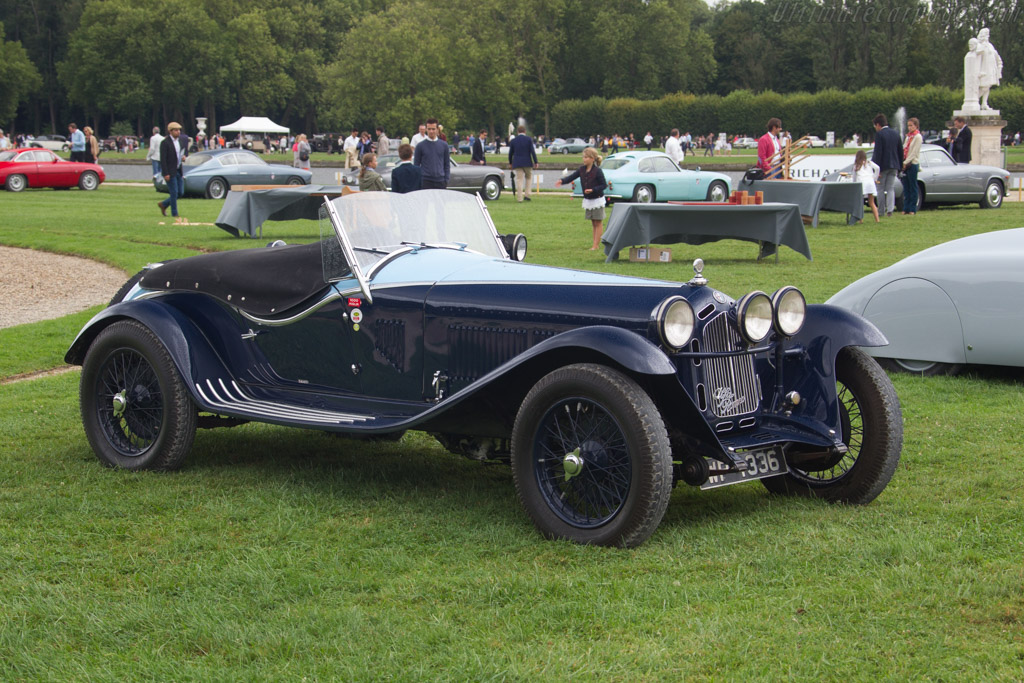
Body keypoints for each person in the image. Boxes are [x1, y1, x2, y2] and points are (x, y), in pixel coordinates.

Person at [555, 147, 608, 251]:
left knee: (598, 222)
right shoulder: (582, 170)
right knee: (593, 223)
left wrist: (593, 190)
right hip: (588, 200)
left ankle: (596, 245)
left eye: (586, 157)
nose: (584, 159)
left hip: (597, 199)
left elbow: (603, 185)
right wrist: (562, 181)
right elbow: (572, 177)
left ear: (592, 159)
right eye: (583, 157)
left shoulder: (597, 171)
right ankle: (594, 243)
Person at [871, 113, 903, 218]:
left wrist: (876, 168)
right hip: (894, 165)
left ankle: (881, 211)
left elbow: (878, 153)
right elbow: (900, 151)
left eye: (875, 126)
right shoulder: (895, 133)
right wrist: (900, 166)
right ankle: (890, 210)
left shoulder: (880, 134)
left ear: (878, 124)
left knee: (880, 189)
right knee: (890, 188)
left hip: (883, 166)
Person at [157, 122, 186, 220]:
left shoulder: (180, 142)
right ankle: (175, 213)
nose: (178, 132)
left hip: (178, 170)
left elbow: (181, 153)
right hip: (170, 171)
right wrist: (165, 173)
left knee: (180, 192)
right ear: (170, 131)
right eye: (176, 130)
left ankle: (164, 204)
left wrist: (183, 157)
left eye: (179, 130)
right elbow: (163, 159)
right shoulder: (165, 143)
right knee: (174, 192)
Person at [412, 118, 450, 189]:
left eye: (433, 129)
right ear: (426, 129)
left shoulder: (444, 145)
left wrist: (446, 180)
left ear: (437, 129)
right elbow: (416, 165)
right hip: (426, 181)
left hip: (440, 181)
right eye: (429, 129)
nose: (431, 131)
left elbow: (447, 164)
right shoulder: (420, 146)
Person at [508, 125, 538, 202]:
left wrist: (510, 163)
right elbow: (532, 152)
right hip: (527, 162)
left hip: (517, 162)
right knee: (528, 178)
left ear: (517, 132)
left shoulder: (514, 141)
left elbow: (510, 153)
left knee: (519, 180)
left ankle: (519, 198)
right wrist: (535, 162)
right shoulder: (528, 139)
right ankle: (527, 195)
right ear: (525, 131)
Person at [901, 117, 922, 216]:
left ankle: (912, 208)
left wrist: (905, 162)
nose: (909, 128)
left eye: (911, 125)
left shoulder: (918, 137)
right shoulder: (908, 137)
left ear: (916, 126)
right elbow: (905, 148)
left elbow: (914, 153)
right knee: (906, 187)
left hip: (912, 163)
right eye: (908, 126)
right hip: (905, 163)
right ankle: (906, 208)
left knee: (913, 187)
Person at [853, 150, 880, 223]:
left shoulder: (856, 165)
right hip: (870, 183)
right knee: (872, 202)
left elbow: (854, 177)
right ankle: (877, 219)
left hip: (862, 183)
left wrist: (854, 184)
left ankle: (860, 220)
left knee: (860, 203)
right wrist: (874, 178)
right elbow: (877, 168)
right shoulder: (869, 163)